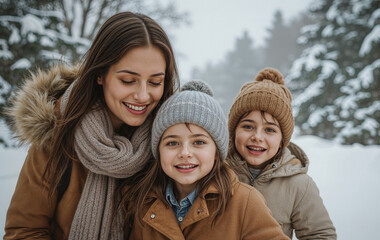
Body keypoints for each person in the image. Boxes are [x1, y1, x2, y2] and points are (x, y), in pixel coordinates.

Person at [4, 12, 179, 239]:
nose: (143, 95)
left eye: (155, 82)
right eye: (128, 80)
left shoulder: (172, 143)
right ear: (100, 75)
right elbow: (24, 232)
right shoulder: (57, 137)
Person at [119, 80, 290, 240]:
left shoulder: (245, 202)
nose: (185, 153)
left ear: (217, 151)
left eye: (198, 142)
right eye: (172, 143)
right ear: (159, 150)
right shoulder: (138, 200)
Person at [227, 68, 337, 239]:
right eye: (248, 126)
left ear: (282, 141)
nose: (257, 137)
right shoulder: (216, 173)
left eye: (269, 130)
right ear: (233, 131)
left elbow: (320, 235)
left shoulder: (299, 185)